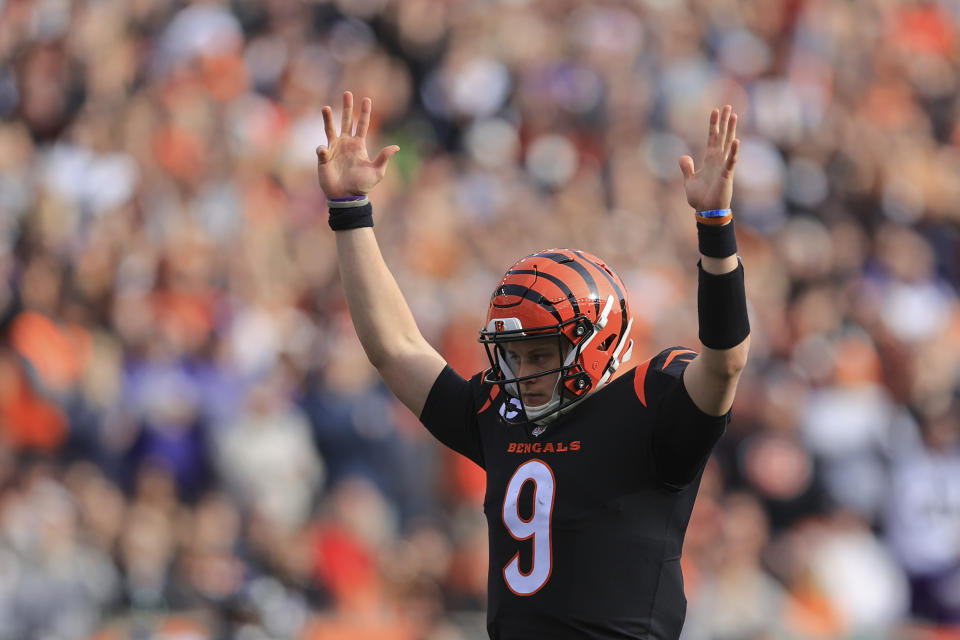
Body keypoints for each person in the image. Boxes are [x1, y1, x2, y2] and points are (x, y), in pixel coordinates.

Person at [317, 91, 750, 639]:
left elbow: (727, 360)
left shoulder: (650, 406)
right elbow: (396, 348)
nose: (523, 371)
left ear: (597, 342)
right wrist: (351, 212)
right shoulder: (500, 413)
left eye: (541, 353)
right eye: (514, 354)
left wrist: (715, 225)